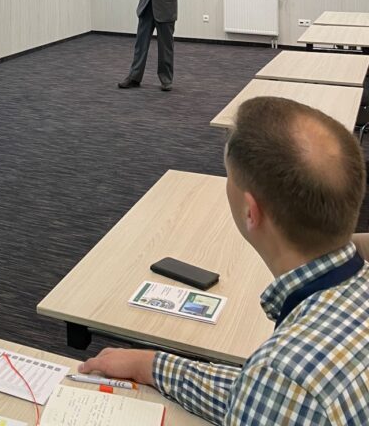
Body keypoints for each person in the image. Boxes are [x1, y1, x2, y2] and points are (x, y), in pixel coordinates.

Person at [79, 96, 369, 424]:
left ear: (250, 211)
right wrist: (153, 366)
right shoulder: (292, 371)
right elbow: (266, 396)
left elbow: (281, 390)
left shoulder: (287, 378)